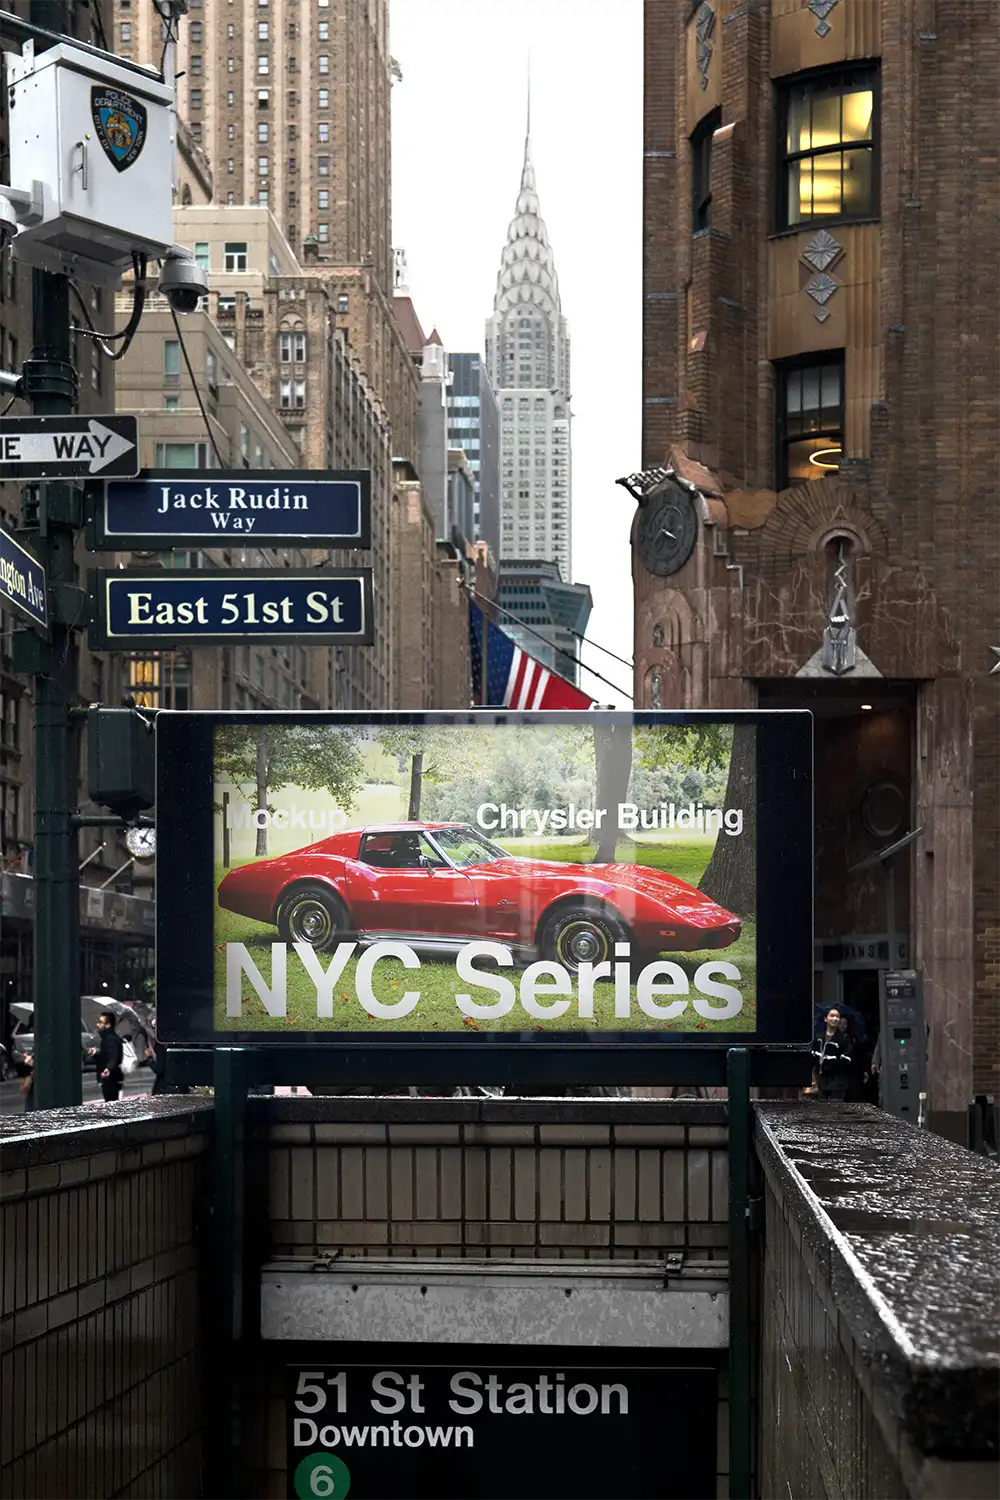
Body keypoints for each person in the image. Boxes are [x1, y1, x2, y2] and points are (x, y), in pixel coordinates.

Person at [807, 1006, 854, 1100]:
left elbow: (848, 1059)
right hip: (820, 1082)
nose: (835, 1019)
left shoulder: (844, 1038)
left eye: (837, 1016)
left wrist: (830, 1062)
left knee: (834, 1111)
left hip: (837, 1083)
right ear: (826, 1019)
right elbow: (812, 1058)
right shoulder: (818, 1037)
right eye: (832, 1016)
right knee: (820, 1111)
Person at [89, 1009, 124, 1102]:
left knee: (111, 1102)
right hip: (109, 1077)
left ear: (108, 1025)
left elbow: (114, 1057)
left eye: (101, 1022)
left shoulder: (111, 1039)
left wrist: (108, 1069)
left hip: (111, 1078)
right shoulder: (106, 1038)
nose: (98, 1024)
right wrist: (96, 1053)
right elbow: (106, 1056)